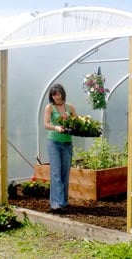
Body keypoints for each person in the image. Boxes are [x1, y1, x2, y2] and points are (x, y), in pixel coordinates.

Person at [44, 83, 77, 214]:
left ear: (62, 93)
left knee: (65, 173)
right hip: (54, 142)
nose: (56, 96)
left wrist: (71, 122)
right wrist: (57, 127)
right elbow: (46, 124)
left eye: (58, 94)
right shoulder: (50, 107)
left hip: (67, 143)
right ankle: (56, 204)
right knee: (56, 173)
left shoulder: (70, 107)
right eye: (53, 94)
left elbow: (77, 122)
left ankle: (64, 202)